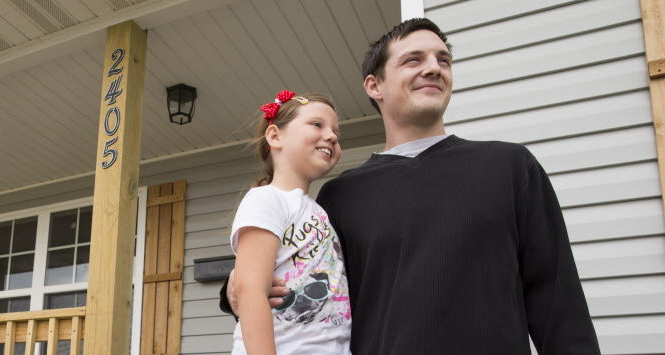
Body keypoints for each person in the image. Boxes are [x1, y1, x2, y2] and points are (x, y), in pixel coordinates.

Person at [220, 18, 601, 354]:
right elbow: (305, 275)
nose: (434, 68)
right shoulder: (340, 196)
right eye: (413, 60)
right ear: (374, 86)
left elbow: (557, 301)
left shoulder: (510, 167)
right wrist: (233, 289)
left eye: (443, 60)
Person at [229, 90, 350, 354]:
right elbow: (250, 291)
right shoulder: (266, 199)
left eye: (336, 134)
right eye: (317, 124)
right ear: (274, 136)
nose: (331, 136)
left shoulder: (319, 211)